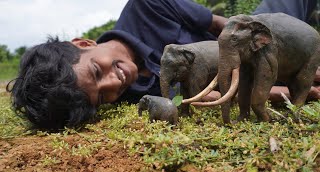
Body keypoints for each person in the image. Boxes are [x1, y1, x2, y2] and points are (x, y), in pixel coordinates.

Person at [7, 0, 320, 130]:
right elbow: (204, 98)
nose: (113, 85)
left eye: (96, 71)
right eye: (102, 96)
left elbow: (224, 26)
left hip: (250, 43)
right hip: (247, 77)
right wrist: (287, 86)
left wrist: (278, 55)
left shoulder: (147, 6)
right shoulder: (134, 95)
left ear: (83, 44)